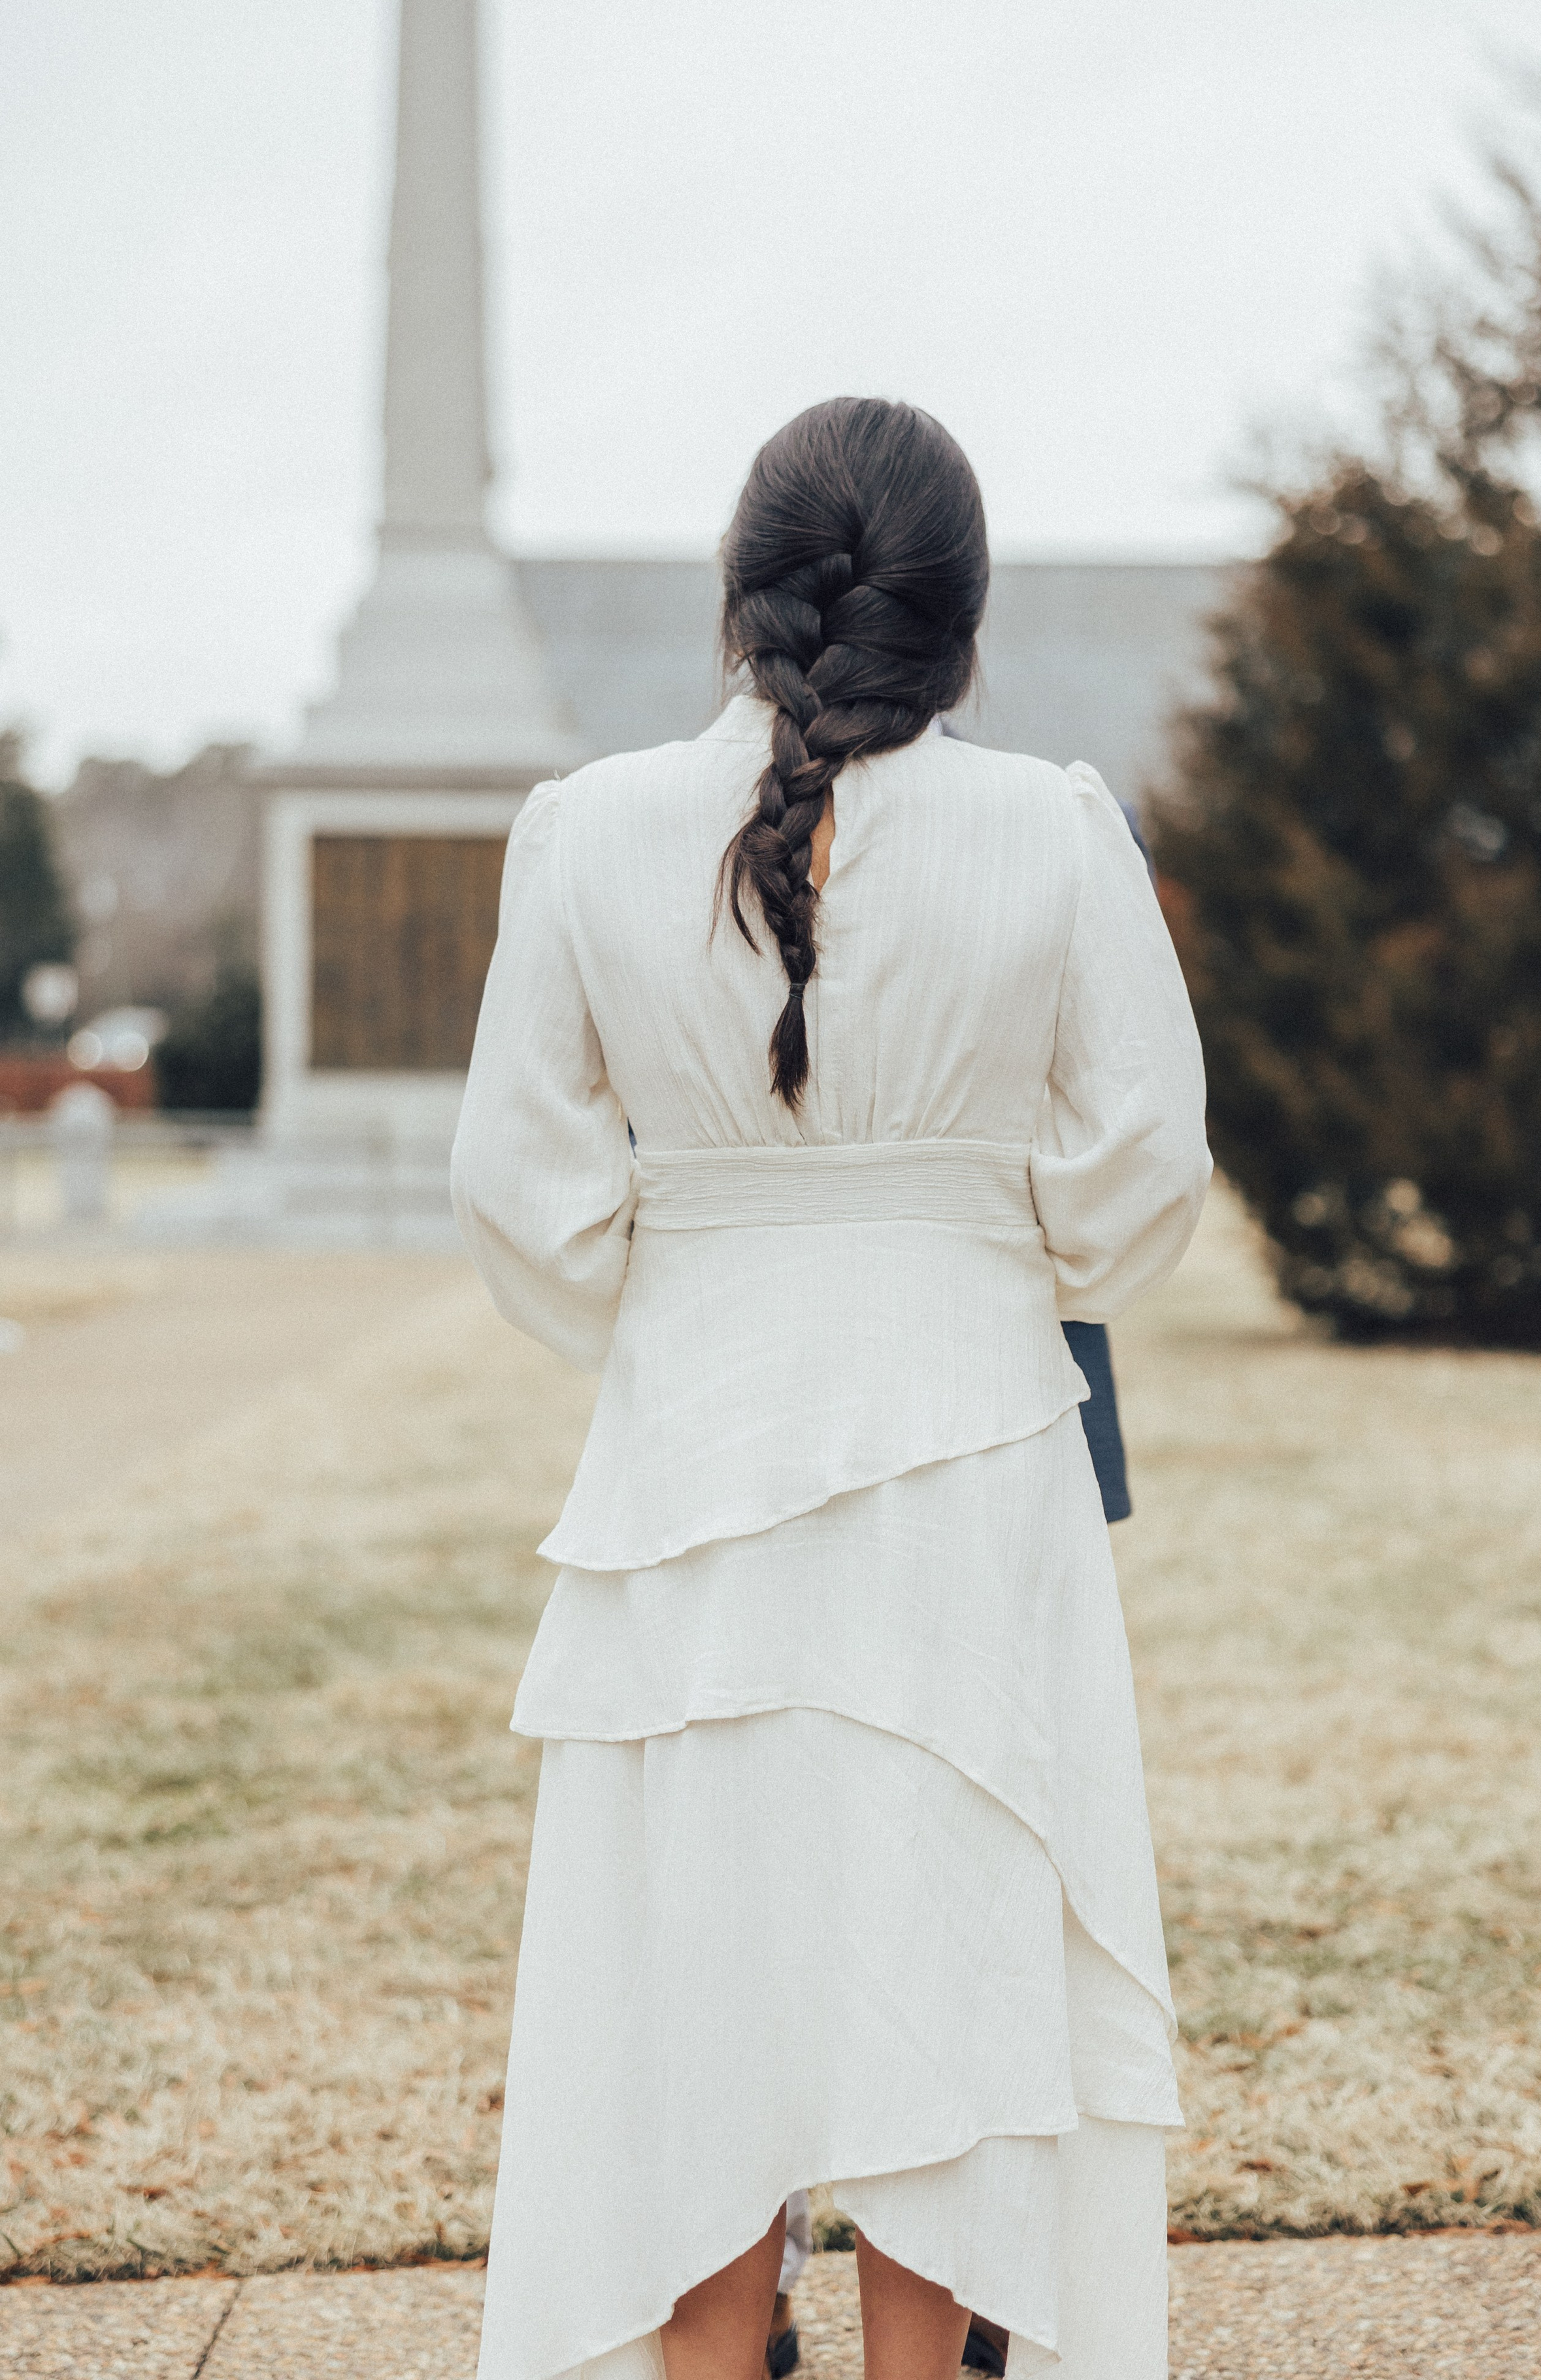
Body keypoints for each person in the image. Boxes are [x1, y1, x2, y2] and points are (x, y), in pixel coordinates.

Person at [452, 397, 1210, 2380]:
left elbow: (522, 1198)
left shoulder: (585, 831)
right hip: (973, 1461)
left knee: (691, 1984)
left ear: (741, 603)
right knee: (943, 1967)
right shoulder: (1050, 828)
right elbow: (1143, 1176)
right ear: (961, 623)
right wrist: (974, 1235)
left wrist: (692, 1260)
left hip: (683, 1469)